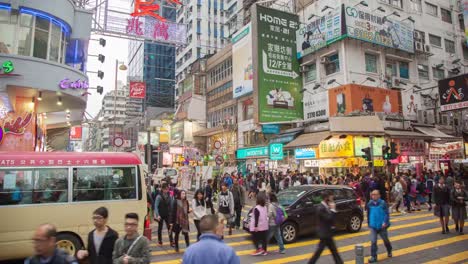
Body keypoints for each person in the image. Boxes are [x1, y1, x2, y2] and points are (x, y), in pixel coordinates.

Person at [308, 191, 343, 264]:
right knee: (319, 252)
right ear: (326, 198)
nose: (332, 199)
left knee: (334, 251)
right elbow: (328, 218)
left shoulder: (326, 206)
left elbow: (331, 219)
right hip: (325, 234)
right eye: (330, 197)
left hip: (328, 233)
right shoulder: (321, 208)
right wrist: (333, 209)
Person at [367, 190, 392, 263]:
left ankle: (389, 249)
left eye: (375, 194)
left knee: (385, 240)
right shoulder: (369, 203)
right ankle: (373, 257)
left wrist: (385, 222)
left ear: (379, 195)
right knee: (373, 241)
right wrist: (369, 223)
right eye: (372, 194)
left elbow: (387, 214)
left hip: (382, 226)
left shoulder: (383, 203)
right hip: (373, 226)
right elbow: (368, 214)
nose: (373, 196)